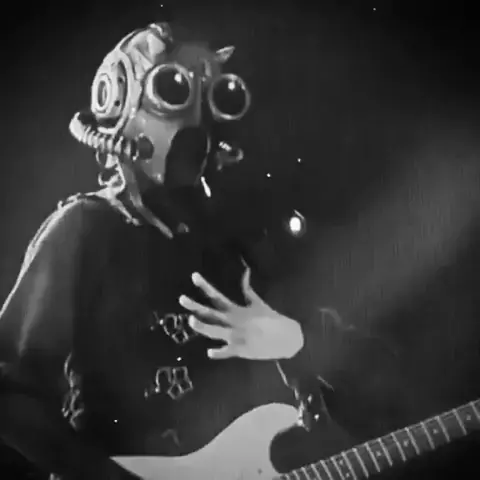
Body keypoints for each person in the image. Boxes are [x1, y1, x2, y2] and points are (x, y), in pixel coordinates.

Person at [0, 22, 401, 480]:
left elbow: (385, 384)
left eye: (217, 98)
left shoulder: (237, 243)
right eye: (172, 89)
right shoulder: (84, 229)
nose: (196, 122)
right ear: (119, 100)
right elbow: (10, 392)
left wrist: (298, 341)